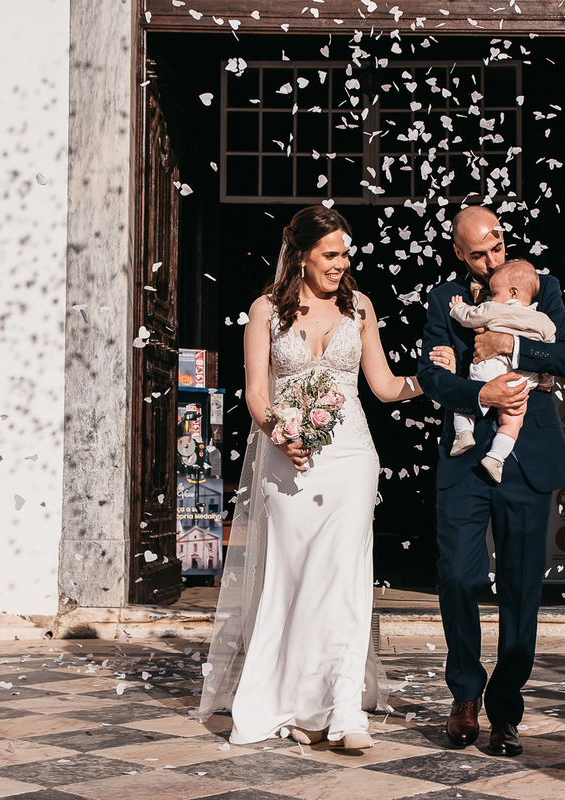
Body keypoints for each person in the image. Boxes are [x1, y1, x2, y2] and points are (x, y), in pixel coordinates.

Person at [195, 206, 453, 749]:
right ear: (302, 254)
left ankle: (343, 712)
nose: (341, 264)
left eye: (345, 253)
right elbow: (256, 393)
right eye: (330, 254)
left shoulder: (360, 307)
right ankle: (293, 704)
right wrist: (279, 433)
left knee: (343, 579)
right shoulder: (265, 310)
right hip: (287, 460)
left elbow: (382, 386)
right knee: (293, 578)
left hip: (351, 458)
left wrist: (433, 381)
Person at [419, 206, 565, 757]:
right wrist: (479, 393)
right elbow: (431, 374)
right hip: (465, 459)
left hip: (528, 455)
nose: (491, 260)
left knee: (520, 589)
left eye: (496, 248)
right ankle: (464, 693)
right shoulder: (446, 301)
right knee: (458, 578)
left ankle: (505, 709)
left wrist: (511, 348)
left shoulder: (542, 285)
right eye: (478, 255)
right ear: (459, 256)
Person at [447, 259, 556, 483]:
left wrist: (457, 308)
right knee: (512, 423)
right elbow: (549, 358)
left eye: (494, 292)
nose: (491, 297)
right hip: (520, 381)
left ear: (513, 292)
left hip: (490, 368)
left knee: (466, 395)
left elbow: (470, 317)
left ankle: (463, 433)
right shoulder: (545, 322)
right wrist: (545, 382)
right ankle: (496, 458)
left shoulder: (494, 308)